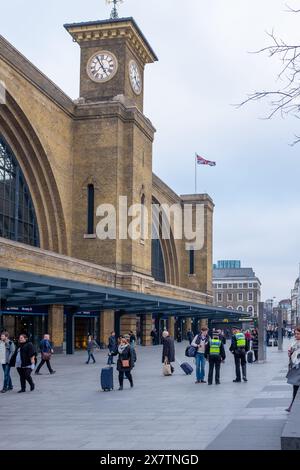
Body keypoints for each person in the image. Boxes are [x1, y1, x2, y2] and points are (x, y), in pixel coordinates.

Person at [285, 327, 300, 412]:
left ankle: (292, 405)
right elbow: (291, 354)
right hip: (295, 366)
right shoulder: (294, 342)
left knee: (296, 386)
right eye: (296, 333)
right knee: (295, 386)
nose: (296, 335)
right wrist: (290, 353)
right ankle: (292, 405)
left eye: (298, 334)